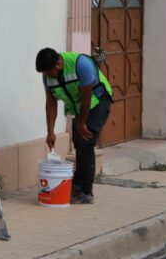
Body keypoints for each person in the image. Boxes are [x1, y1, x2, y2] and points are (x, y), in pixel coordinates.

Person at [35, 47, 113, 204]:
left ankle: (86, 192)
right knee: (78, 141)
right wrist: (50, 132)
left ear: (58, 64)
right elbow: (51, 103)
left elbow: (86, 99)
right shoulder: (47, 76)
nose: (47, 76)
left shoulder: (81, 64)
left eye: (48, 72)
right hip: (80, 106)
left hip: (98, 101)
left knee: (86, 141)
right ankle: (77, 183)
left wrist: (82, 123)